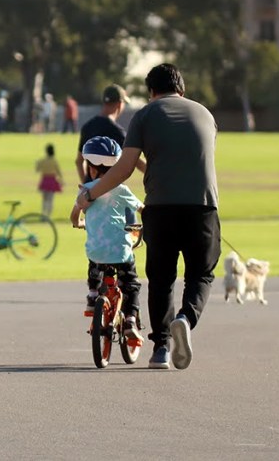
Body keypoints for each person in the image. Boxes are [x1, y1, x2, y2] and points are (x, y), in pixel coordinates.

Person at [75, 64, 220, 370]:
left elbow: (125, 167)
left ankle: (161, 349)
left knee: (161, 278)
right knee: (200, 274)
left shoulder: (144, 115)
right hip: (202, 207)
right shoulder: (205, 114)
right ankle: (186, 318)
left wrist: (91, 194)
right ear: (182, 89)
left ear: (151, 91)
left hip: (160, 208)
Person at [70, 136, 143, 344]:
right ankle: (130, 320)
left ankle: (93, 295)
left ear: (92, 169)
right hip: (120, 250)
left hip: (96, 251)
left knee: (95, 261)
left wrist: (79, 223)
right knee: (130, 283)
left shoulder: (86, 190)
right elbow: (142, 209)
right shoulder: (121, 190)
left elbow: (74, 217)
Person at [35, 143, 63, 218]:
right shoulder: (54, 161)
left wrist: (36, 163)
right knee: (50, 200)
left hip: (45, 180)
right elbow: (58, 172)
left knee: (44, 199)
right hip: (52, 180)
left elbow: (37, 170)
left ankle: (43, 215)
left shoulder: (42, 160)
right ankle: (48, 216)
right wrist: (61, 181)